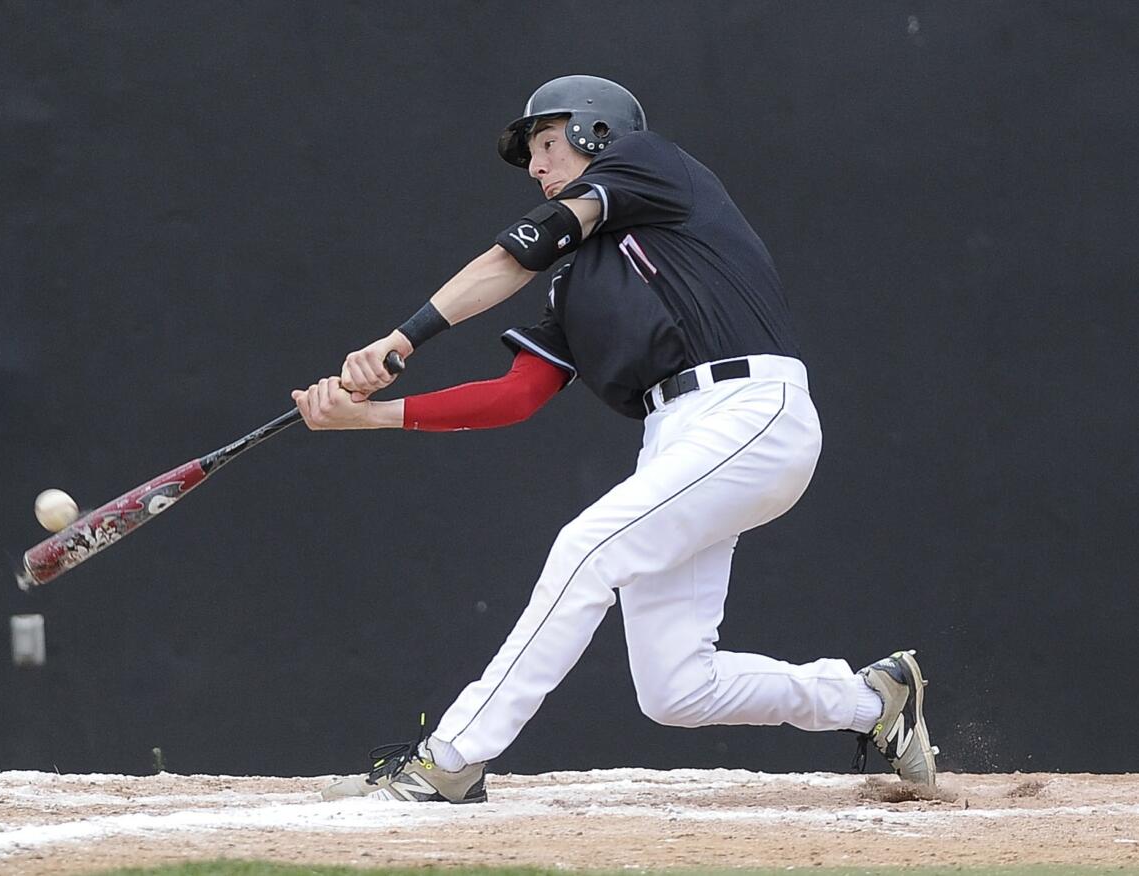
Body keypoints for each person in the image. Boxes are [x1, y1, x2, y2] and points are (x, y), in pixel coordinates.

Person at [291, 75, 938, 803]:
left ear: (596, 131)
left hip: (748, 410)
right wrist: (368, 415)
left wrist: (400, 340)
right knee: (677, 689)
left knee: (586, 548)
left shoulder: (648, 162)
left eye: (544, 143)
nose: (534, 167)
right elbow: (515, 396)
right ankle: (871, 701)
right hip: (679, 439)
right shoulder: (579, 285)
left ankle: (453, 757)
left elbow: (515, 255)